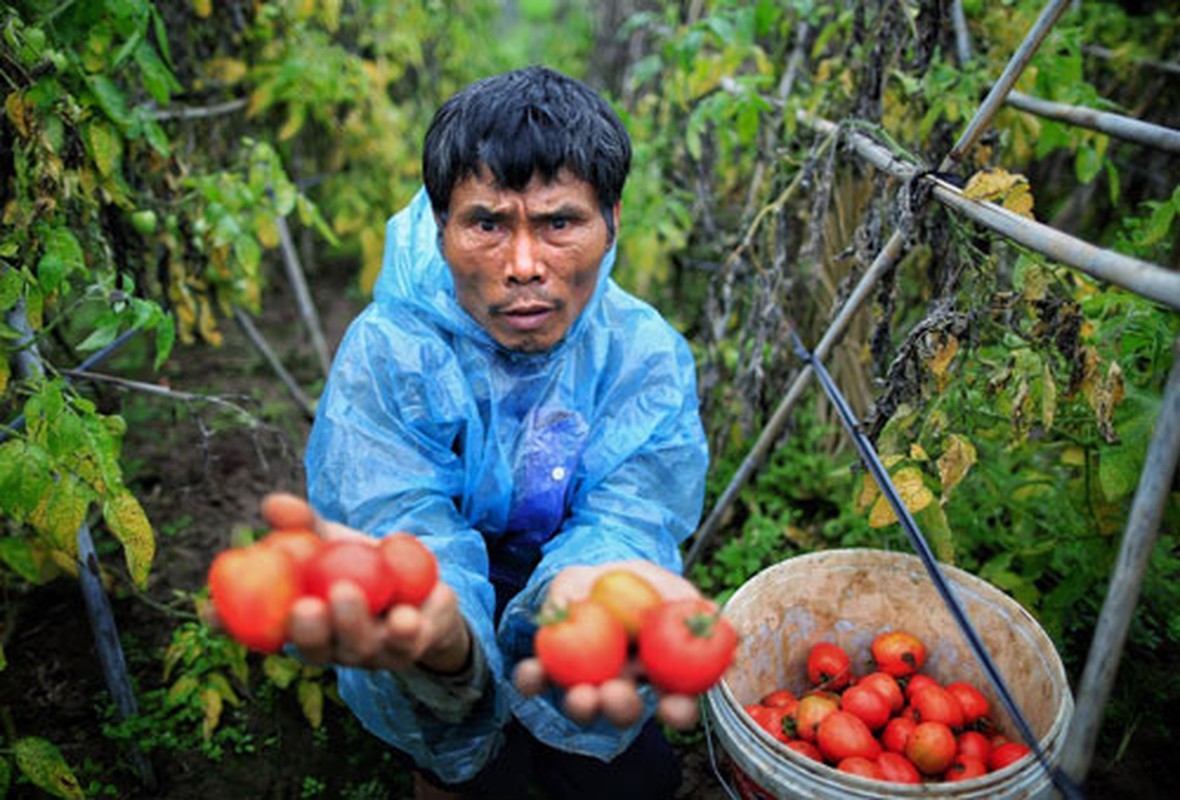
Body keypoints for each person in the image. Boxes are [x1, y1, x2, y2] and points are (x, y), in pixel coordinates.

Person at [276, 65, 710, 799]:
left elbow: (631, 514)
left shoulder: (642, 354)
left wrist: (590, 583)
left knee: (627, 780)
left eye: (559, 223)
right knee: (467, 764)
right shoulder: (391, 352)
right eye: (486, 223)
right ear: (439, 224)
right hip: (447, 580)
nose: (523, 266)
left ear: (613, 221)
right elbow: (397, 518)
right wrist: (448, 644)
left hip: (568, 577)